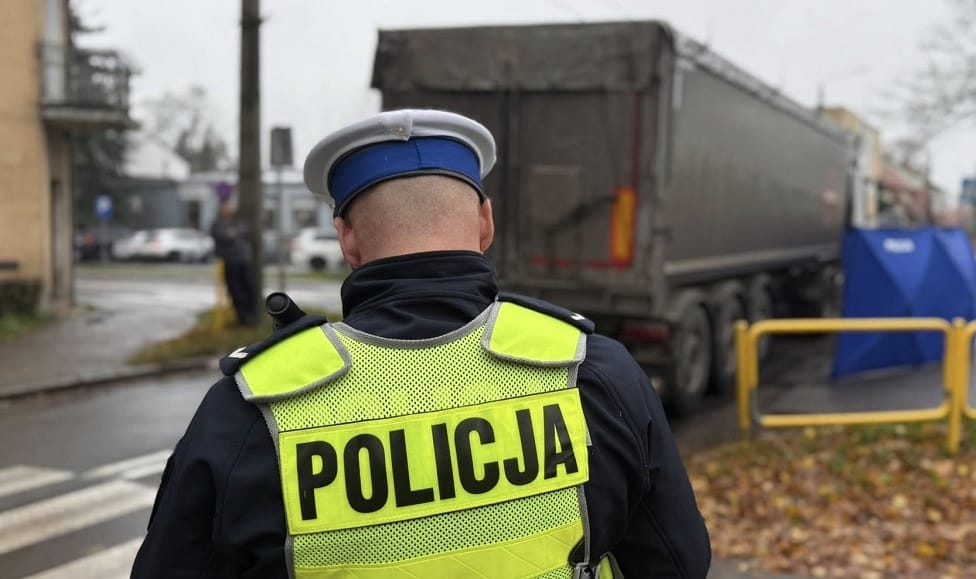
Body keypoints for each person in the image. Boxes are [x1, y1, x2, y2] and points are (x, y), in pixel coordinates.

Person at [133, 109, 711, 578]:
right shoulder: (592, 373)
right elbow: (677, 561)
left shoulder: (253, 410)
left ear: (347, 240)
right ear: (485, 223)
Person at [210, 200, 259, 326]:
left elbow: (245, 231)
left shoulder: (237, 222)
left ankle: (252, 316)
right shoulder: (218, 224)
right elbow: (222, 236)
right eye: (225, 207)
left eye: (229, 206)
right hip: (230, 262)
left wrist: (233, 234)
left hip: (244, 260)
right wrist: (232, 234)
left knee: (249, 288)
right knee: (235, 291)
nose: (228, 209)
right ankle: (243, 318)